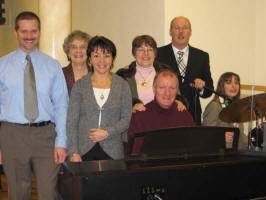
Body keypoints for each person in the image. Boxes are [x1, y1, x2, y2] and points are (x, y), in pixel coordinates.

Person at [0, 11, 68, 200]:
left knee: (48, 192)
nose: (29, 36)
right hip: (12, 135)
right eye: (24, 31)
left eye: (34, 31)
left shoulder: (52, 66)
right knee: (18, 193)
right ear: (16, 32)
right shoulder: (2, 66)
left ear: (40, 31)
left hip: (45, 136)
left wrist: (61, 142)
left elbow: (62, 105)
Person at [67, 36, 132, 161]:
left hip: (113, 150)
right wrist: (73, 151)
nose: (102, 60)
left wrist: (107, 132)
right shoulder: (80, 85)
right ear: (90, 59)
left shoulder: (122, 85)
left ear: (112, 59)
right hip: (83, 150)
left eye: (107, 55)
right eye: (96, 56)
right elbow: (71, 122)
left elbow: (126, 119)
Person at [156, 16, 214, 125]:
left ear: (190, 32)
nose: (181, 31)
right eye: (177, 28)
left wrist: (202, 88)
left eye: (185, 28)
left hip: (191, 114)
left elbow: (209, 89)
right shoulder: (158, 54)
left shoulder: (202, 56)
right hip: (163, 113)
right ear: (170, 32)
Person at [128, 68, 195, 154]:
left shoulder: (184, 115)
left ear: (177, 91)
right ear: (154, 89)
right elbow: (135, 156)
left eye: (172, 88)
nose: (167, 93)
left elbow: (193, 151)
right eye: (162, 87)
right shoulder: (139, 117)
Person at [117, 35, 187, 113]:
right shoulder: (123, 75)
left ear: (155, 53)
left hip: (163, 119)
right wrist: (131, 106)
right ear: (134, 53)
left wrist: (178, 101)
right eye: (141, 50)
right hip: (134, 121)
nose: (145, 53)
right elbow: (118, 101)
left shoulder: (166, 71)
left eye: (150, 49)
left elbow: (176, 95)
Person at [202, 72, 248, 149]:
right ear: (221, 86)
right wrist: (221, 136)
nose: (233, 86)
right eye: (229, 82)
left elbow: (241, 137)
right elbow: (205, 134)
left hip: (238, 154)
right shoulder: (215, 106)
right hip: (221, 154)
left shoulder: (237, 108)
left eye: (236, 83)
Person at [62, 30, 91, 95]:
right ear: (68, 52)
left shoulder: (96, 74)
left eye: (83, 47)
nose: (78, 51)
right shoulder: (60, 75)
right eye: (74, 47)